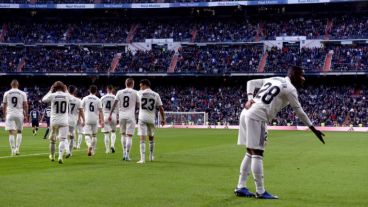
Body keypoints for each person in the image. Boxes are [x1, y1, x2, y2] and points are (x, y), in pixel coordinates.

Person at [234, 66, 325, 199]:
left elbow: (250, 83)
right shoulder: (290, 89)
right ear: (293, 75)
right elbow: (299, 112)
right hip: (258, 115)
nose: (304, 78)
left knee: (250, 151)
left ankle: (241, 187)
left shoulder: (276, 78)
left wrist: (249, 98)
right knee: (257, 153)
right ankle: (260, 191)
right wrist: (313, 129)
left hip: (246, 112)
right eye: (301, 75)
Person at [110, 78, 139, 161]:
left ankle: (123, 153)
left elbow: (114, 104)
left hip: (122, 115)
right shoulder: (135, 92)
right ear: (132, 84)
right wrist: (137, 111)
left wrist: (111, 114)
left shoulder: (119, 92)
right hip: (131, 115)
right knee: (129, 136)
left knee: (123, 134)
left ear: (125, 83)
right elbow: (138, 104)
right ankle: (127, 154)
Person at [42, 81, 71, 164]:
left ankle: (52, 156)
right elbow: (72, 99)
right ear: (63, 87)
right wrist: (66, 91)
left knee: (52, 140)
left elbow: (43, 99)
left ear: (54, 87)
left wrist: (50, 90)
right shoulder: (66, 95)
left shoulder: (52, 95)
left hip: (54, 121)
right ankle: (60, 157)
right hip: (64, 121)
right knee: (63, 139)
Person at [136, 79, 165, 164]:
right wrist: (163, 119)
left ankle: (142, 159)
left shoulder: (139, 93)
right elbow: (161, 108)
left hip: (142, 117)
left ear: (145, 85)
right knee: (151, 138)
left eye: (141, 86)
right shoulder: (156, 94)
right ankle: (151, 156)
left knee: (142, 138)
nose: (140, 87)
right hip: (151, 118)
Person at [2, 80, 28, 156]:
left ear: (11, 85)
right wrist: (26, 114)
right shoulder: (23, 93)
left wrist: (4, 114)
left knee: (11, 133)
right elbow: (25, 105)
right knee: (19, 131)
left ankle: (12, 150)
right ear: (18, 85)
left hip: (10, 114)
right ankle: (17, 149)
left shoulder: (6, 93)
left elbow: (4, 105)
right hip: (19, 114)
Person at [81, 85, 104, 156]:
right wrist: (102, 120)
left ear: (89, 90)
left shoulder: (85, 98)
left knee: (87, 135)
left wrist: (81, 119)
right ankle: (93, 150)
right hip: (95, 118)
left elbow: (81, 109)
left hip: (87, 118)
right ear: (96, 91)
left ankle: (89, 145)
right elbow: (100, 111)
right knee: (94, 135)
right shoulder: (98, 99)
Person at [67, 85, 84, 156]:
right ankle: (70, 152)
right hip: (74, 119)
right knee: (73, 134)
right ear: (74, 91)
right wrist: (83, 119)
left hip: (65, 119)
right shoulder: (78, 100)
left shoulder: (65, 98)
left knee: (64, 137)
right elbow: (81, 111)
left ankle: (66, 150)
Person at [100, 85, 117, 154]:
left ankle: (107, 150)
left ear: (107, 89)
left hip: (105, 115)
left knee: (106, 134)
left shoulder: (102, 97)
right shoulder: (115, 97)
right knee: (113, 132)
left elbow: (100, 108)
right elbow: (117, 108)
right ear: (112, 89)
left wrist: (100, 119)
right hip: (113, 115)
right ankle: (112, 145)